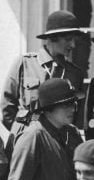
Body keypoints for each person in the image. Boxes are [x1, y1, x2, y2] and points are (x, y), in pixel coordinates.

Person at [3, 78, 82, 180]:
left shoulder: (72, 133)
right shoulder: (33, 135)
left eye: (73, 104)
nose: (72, 109)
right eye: (66, 105)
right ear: (49, 108)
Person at [3, 10, 88, 139]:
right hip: (25, 143)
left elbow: (77, 118)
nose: (73, 45)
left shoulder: (75, 74)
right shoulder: (24, 64)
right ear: (53, 37)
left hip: (59, 146)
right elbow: (7, 109)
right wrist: (23, 136)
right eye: (68, 39)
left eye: (74, 40)